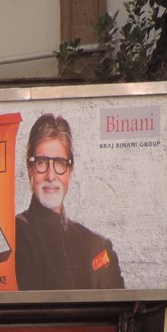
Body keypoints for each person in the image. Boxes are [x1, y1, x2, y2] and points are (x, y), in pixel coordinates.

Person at [15, 113, 125, 291]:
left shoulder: (98, 245)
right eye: (41, 162)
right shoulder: (14, 237)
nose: (51, 176)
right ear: (30, 169)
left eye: (59, 163)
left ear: (70, 171)